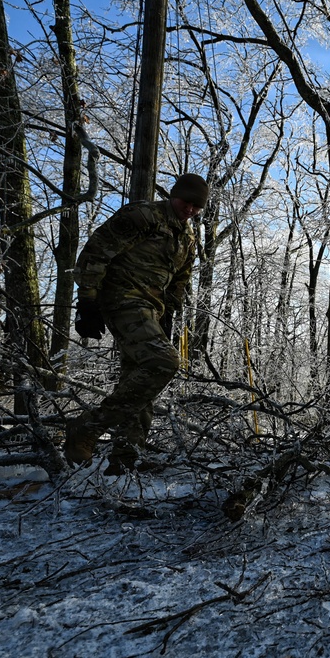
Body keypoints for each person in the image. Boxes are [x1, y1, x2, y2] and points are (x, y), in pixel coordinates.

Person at [64, 173, 206, 475]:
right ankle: (87, 428)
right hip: (122, 298)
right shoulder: (144, 215)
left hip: (151, 310)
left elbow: (180, 279)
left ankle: (125, 460)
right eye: (187, 202)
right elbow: (96, 252)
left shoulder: (188, 238)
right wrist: (86, 302)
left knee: (140, 379)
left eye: (197, 207)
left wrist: (168, 314)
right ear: (174, 195)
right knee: (163, 363)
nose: (190, 209)